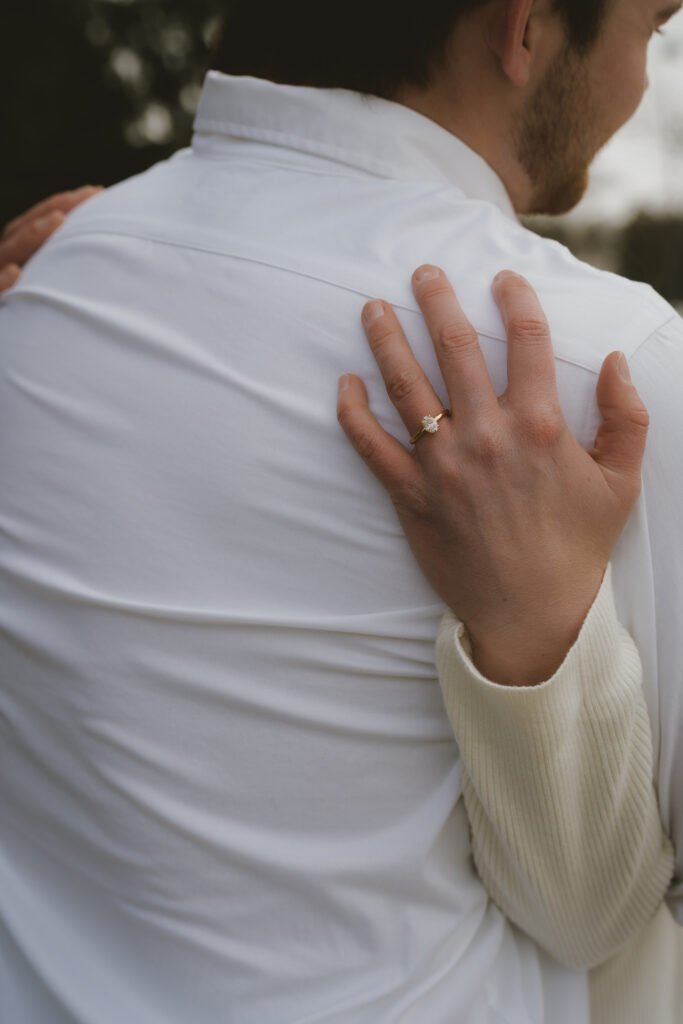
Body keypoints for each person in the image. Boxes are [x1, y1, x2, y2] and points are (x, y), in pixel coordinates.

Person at [0, 2, 679, 1023]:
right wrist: (543, 649)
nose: (640, 78)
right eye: (652, 29)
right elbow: (595, 919)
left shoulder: (46, 293)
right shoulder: (609, 377)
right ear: (524, 29)